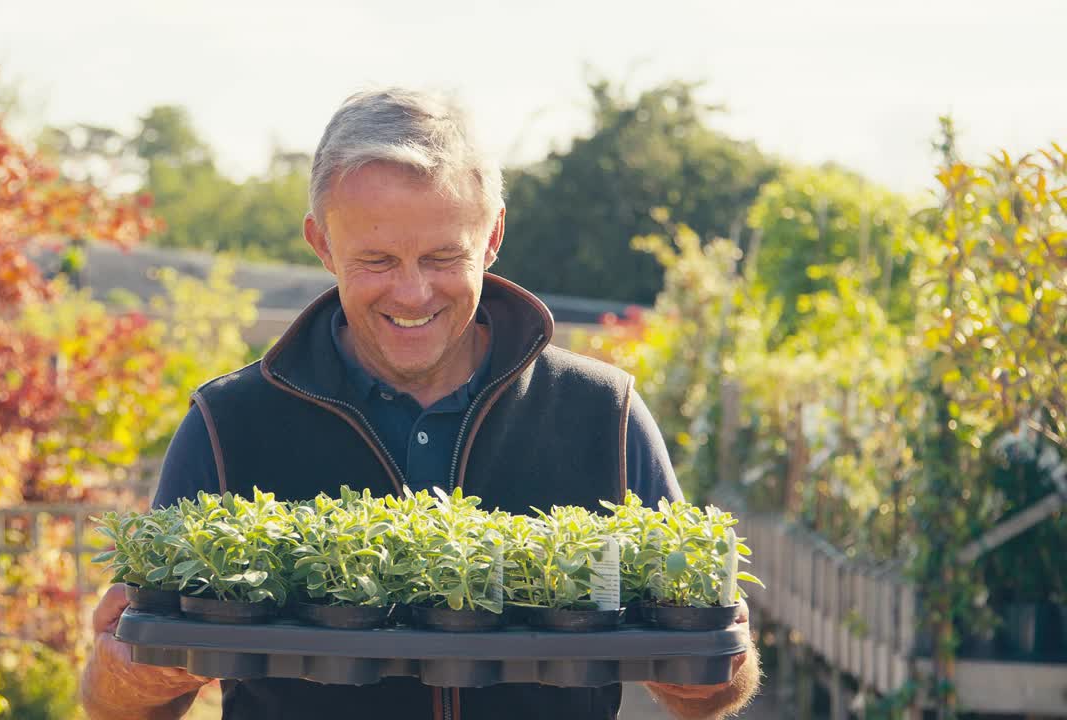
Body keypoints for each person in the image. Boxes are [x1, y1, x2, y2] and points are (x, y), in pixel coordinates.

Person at [80, 87, 760, 720]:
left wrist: (712, 665)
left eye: (442, 257)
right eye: (376, 260)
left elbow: (711, 691)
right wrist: (127, 675)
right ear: (322, 243)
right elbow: (122, 706)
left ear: (491, 237)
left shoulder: (599, 412)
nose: (412, 294)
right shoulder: (230, 423)